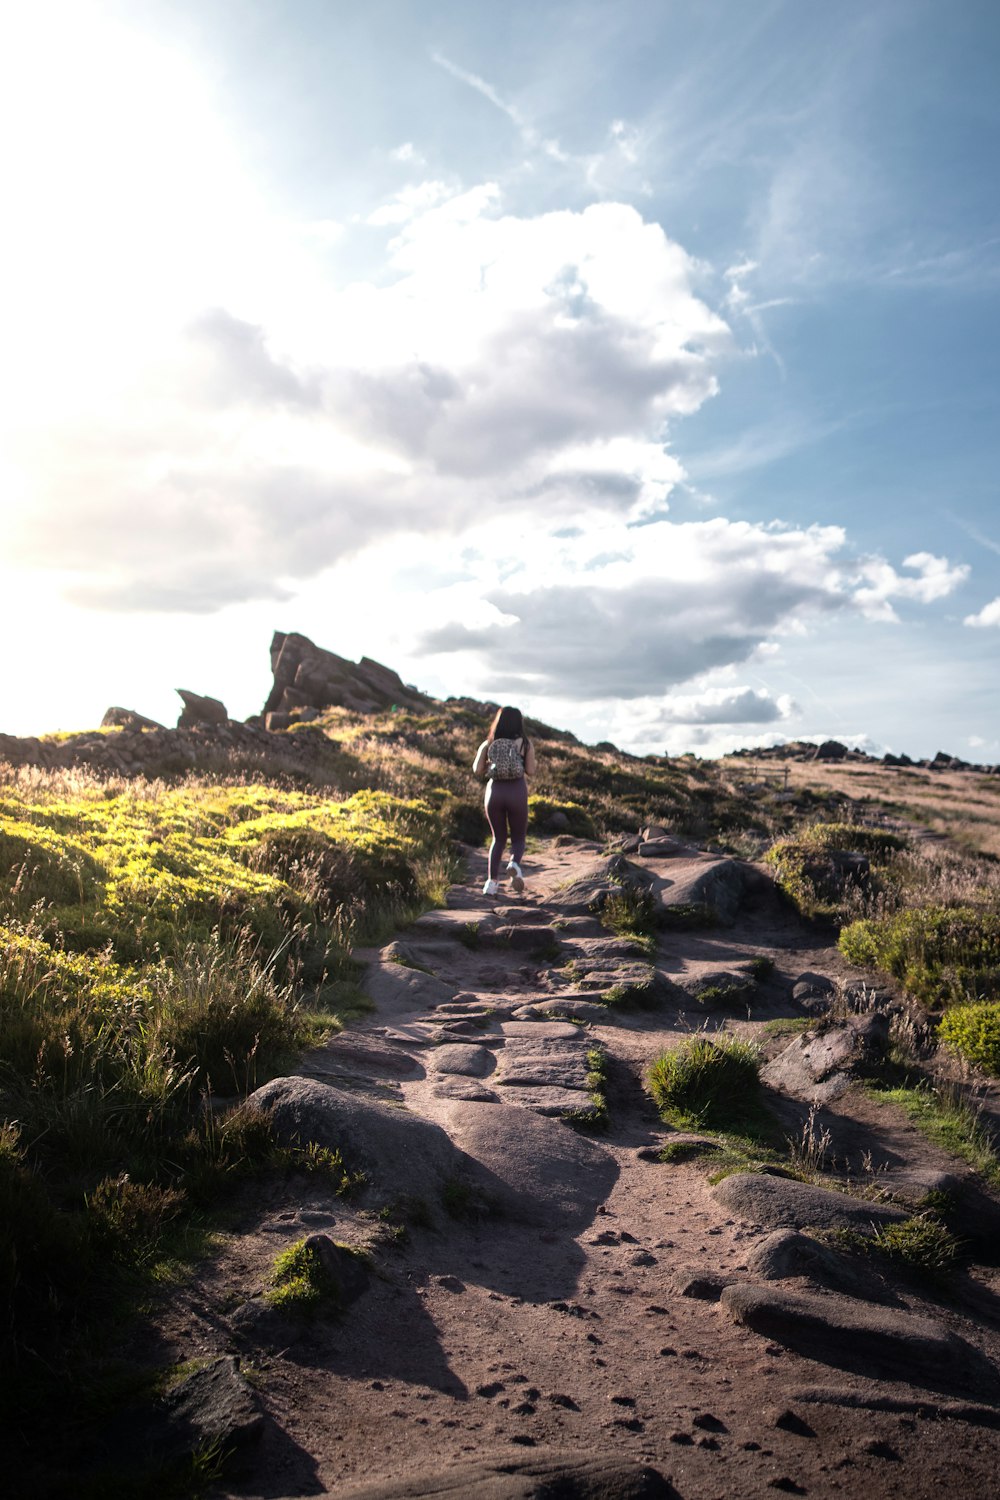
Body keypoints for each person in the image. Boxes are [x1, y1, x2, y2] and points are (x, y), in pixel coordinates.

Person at [472, 705, 536, 896]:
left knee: (498, 838)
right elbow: (531, 771)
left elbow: (477, 769)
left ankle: (491, 884)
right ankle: (514, 863)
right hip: (517, 791)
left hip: (495, 792)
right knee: (518, 837)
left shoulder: (489, 742)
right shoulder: (525, 744)